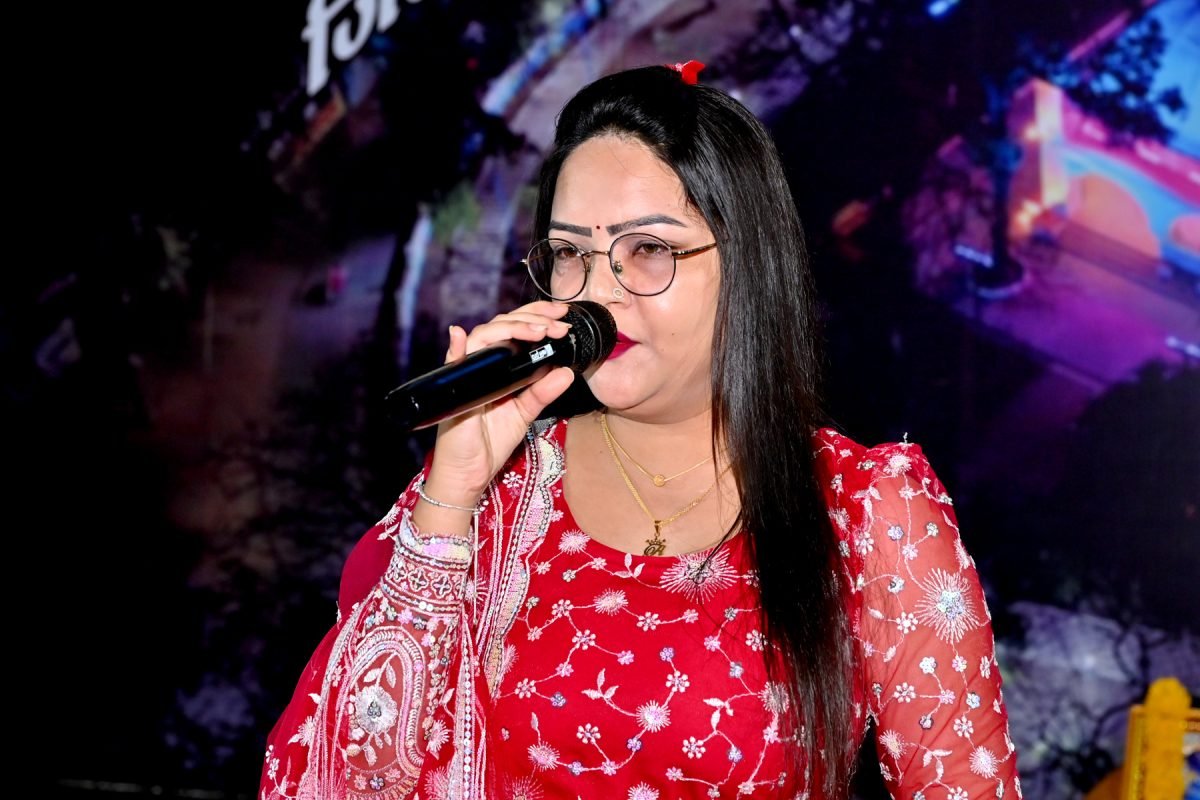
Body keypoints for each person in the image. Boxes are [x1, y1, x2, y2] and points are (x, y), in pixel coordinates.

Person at [259, 62, 1020, 799]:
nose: (596, 293)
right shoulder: (500, 494)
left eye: (647, 250)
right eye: (570, 254)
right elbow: (338, 778)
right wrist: (453, 492)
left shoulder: (869, 512)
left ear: (747, 264)